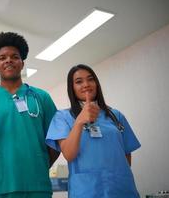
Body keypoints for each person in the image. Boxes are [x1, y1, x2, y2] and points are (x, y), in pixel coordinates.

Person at [0, 32, 60, 198]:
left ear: (22, 63)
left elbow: (55, 142)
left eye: (14, 56)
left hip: (37, 187)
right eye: (2, 57)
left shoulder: (41, 97)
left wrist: (38, 165)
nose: (8, 60)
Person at [46, 64, 141, 198]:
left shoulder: (115, 115)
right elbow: (69, 154)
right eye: (79, 81)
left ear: (96, 83)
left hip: (122, 189)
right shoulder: (62, 117)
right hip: (86, 191)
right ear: (72, 88)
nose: (86, 84)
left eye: (90, 79)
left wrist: (118, 177)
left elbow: (126, 154)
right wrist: (79, 121)